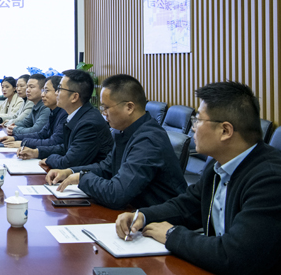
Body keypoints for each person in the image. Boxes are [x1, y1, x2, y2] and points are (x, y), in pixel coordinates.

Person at [115, 81, 281, 275]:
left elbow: (235, 255)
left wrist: (172, 235)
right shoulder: (217, 165)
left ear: (225, 131)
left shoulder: (270, 180)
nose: (193, 128)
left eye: (198, 120)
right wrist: (142, 216)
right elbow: (186, 206)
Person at [46, 74, 187, 210]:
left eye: (106, 107)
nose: (104, 113)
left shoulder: (148, 140)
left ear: (129, 107)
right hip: (135, 211)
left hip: (159, 220)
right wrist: (70, 172)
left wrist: (83, 178)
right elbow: (106, 168)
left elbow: (117, 194)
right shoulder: (126, 131)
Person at [17, 70, 113, 166]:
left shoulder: (89, 123)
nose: (56, 93)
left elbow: (69, 161)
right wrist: (37, 152)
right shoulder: (76, 115)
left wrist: (48, 159)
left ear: (74, 97)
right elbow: (67, 148)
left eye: (60, 89)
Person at [0, 76, 67, 154]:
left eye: (46, 91)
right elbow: (41, 133)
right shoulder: (52, 111)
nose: (43, 94)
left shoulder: (61, 113)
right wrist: (15, 138)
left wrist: (23, 142)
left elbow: (52, 141)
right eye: (27, 87)